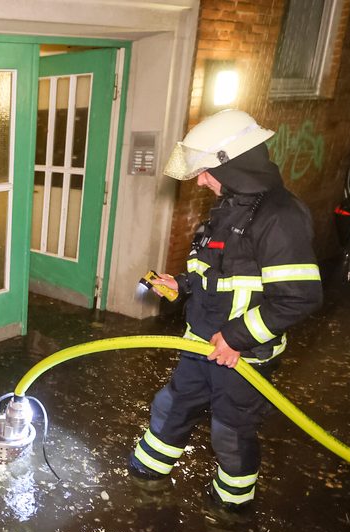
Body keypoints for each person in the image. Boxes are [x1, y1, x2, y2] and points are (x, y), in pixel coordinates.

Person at [131, 109, 322, 511]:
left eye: (205, 171)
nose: (200, 180)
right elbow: (212, 270)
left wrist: (236, 338)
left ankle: (232, 505)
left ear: (232, 164)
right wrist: (179, 285)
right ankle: (148, 470)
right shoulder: (229, 207)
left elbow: (299, 297)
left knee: (230, 430)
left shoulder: (279, 217)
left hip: (242, 358)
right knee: (172, 406)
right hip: (201, 345)